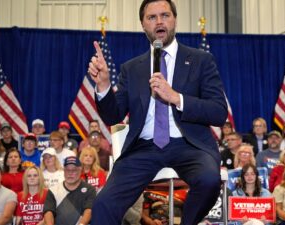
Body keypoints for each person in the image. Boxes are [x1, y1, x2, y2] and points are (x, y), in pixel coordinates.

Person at [88, 0, 227, 224]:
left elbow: (219, 112)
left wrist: (176, 97)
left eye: (165, 15)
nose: (159, 21)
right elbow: (114, 117)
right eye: (151, 17)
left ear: (174, 19)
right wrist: (103, 86)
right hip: (143, 148)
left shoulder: (201, 60)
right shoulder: (131, 69)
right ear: (143, 25)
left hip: (189, 145)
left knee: (210, 180)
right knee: (103, 204)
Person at [43, 156, 96, 225]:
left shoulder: (90, 190)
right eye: (67, 170)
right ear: (64, 171)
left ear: (80, 170)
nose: (70, 173)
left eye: (74, 170)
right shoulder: (53, 190)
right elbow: (48, 211)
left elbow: (89, 210)